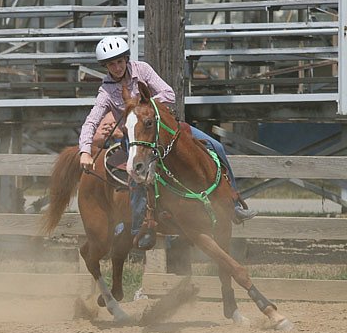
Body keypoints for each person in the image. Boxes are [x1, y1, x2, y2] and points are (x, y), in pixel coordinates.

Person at [79, 36, 256, 250]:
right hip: (138, 139)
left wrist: (144, 107)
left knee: (215, 147)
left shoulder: (142, 70)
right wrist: (85, 152)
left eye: (119, 62)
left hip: (167, 128)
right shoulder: (106, 92)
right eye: (111, 64)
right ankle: (138, 227)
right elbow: (91, 121)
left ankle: (234, 202)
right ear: (105, 67)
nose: (116, 67)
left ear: (126, 59)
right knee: (136, 175)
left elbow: (169, 94)